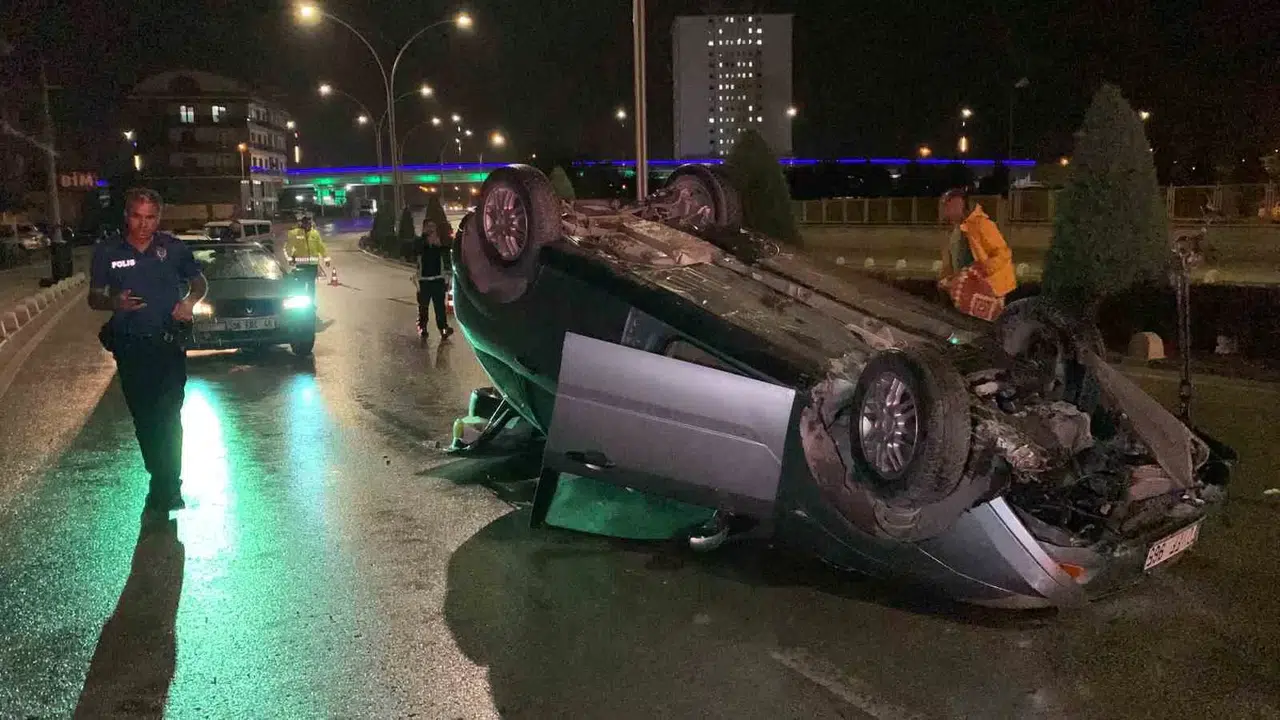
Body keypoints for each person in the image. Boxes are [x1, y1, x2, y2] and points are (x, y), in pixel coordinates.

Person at [88, 188, 207, 519]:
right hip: (131, 349)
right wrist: (114, 302)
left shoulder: (173, 248)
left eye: (151, 217)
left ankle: (170, 485)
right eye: (137, 217)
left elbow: (199, 283)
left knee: (169, 416)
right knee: (145, 419)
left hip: (168, 346)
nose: (144, 225)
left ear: (159, 218)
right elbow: (94, 297)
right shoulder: (107, 251)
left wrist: (189, 302)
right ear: (126, 216)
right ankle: (159, 475)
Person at [937, 188, 1016, 320]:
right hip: (969, 289)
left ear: (961, 206)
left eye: (950, 207)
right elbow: (953, 261)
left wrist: (982, 270)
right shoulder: (956, 231)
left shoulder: (982, 224)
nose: (947, 212)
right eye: (946, 208)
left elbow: (1003, 253)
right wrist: (947, 279)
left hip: (990, 289)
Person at [415, 216, 454, 343]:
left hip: (438, 280)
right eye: (429, 227)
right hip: (424, 281)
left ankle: (443, 328)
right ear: (424, 229)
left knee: (440, 307)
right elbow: (415, 250)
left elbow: (447, 255)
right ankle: (422, 327)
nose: (431, 229)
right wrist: (427, 242)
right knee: (423, 307)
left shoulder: (440, 242)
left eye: (433, 227)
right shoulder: (420, 242)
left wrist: (440, 245)